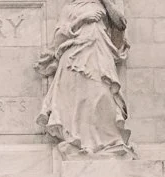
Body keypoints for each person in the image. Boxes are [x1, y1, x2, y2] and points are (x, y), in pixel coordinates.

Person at [36, 0, 131, 157]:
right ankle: (80, 143)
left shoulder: (105, 7)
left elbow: (121, 24)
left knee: (102, 94)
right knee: (79, 99)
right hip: (75, 57)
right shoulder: (70, 8)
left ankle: (107, 142)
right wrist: (83, 19)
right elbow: (59, 36)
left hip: (99, 54)